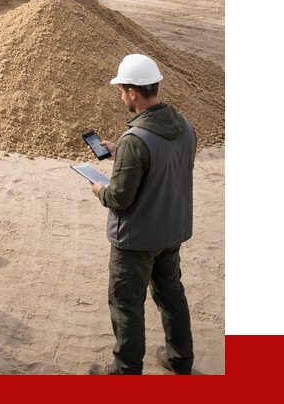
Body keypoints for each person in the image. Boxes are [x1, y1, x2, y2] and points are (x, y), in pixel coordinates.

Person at [88, 54, 196, 375]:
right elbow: (164, 166)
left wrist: (99, 189)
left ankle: (126, 371)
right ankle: (180, 359)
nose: (121, 95)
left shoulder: (136, 141)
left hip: (136, 239)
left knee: (126, 304)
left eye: (122, 90)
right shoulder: (185, 126)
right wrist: (121, 149)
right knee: (171, 294)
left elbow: (120, 197)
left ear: (133, 92)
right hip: (171, 230)